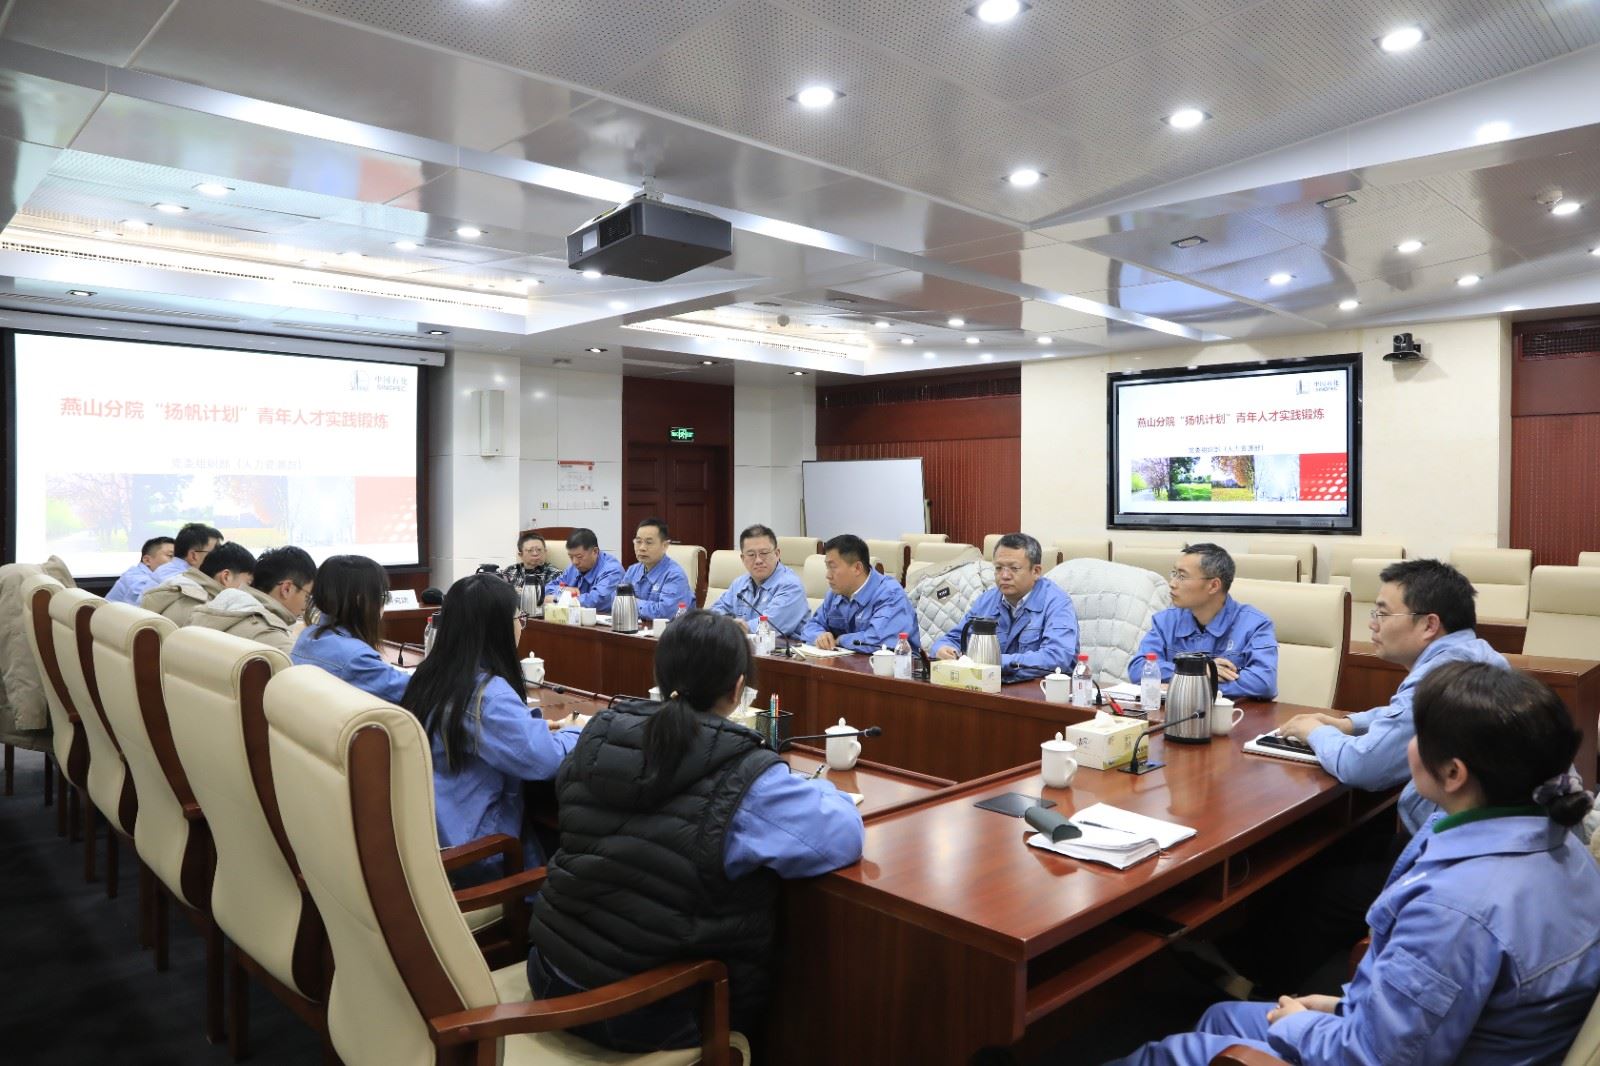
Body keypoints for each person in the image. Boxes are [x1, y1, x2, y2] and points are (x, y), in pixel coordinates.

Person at [1108, 662, 1600, 1066]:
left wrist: (1305, 1025)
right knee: (1221, 1016)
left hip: (1390, 1053)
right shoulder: (1559, 842)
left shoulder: (1456, 909)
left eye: (1418, 734)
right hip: (1444, 1036)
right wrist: (1346, 1006)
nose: (1408, 745)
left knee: (1171, 1053)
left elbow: (1374, 1056)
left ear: (1454, 773)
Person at [527, 611, 864, 1051]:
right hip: (645, 1012)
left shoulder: (599, 734)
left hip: (551, 973)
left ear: (659, 675)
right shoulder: (745, 775)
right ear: (739, 690)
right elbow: (843, 834)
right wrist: (820, 791)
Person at [1279, 558, 1508, 833]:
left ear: (1429, 625)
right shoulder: (1477, 654)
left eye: (1382, 614)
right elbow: (1408, 714)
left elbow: (1362, 765)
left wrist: (1315, 732)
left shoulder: (1441, 679)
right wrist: (1350, 724)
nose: (1372, 624)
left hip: (1455, 843)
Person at [399, 573, 581, 881]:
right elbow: (545, 760)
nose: (521, 626)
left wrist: (532, 726)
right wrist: (577, 731)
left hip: (433, 838)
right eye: (519, 618)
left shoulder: (430, 675)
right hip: (476, 857)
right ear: (497, 628)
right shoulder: (488, 694)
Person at [1128, 543, 1277, 700]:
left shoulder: (1254, 625)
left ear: (1213, 586)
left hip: (1232, 713)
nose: (1172, 583)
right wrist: (1197, 670)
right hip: (1176, 711)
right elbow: (1139, 669)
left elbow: (1264, 682)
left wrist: (1189, 682)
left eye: (1182, 576)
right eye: (1174, 573)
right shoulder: (1166, 620)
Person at [930, 533, 1078, 681]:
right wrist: (941, 649)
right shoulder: (988, 600)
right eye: (999, 568)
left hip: (1041, 690)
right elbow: (955, 638)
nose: (1005, 575)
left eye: (1014, 568)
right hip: (991, 686)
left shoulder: (1057, 603)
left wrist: (995, 662)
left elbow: (1057, 657)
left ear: (1036, 571)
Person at [290, 554, 410, 703]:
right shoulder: (355, 657)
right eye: (383, 597)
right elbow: (417, 694)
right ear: (361, 600)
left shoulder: (307, 636)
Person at [800, 533, 919, 653]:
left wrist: (840, 640)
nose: (828, 575)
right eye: (827, 567)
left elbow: (879, 641)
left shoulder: (890, 594)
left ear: (857, 568)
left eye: (833, 567)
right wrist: (820, 636)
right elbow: (810, 626)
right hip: (848, 661)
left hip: (895, 663)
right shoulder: (836, 593)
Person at [189, 546, 315, 654]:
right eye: (307, 596)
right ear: (286, 589)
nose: (306, 606)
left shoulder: (214, 608)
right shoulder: (278, 643)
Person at [708, 523, 809, 638]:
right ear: (743, 558)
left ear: (777, 554)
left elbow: (770, 626)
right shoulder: (739, 584)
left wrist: (734, 627)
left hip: (783, 648)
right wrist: (728, 624)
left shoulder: (791, 586)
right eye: (751, 555)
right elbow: (714, 614)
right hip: (743, 645)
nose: (758, 560)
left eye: (764, 553)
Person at [141, 541, 256, 627]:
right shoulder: (208, 611)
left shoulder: (178, 585)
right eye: (248, 583)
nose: (250, 591)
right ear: (226, 577)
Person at [620, 517, 695, 620]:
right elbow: (618, 601)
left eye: (649, 542)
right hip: (637, 627)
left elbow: (666, 613)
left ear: (665, 545)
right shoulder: (632, 571)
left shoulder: (675, 575)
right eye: (638, 541)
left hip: (671, 629)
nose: (642, 548)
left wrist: (631, 603)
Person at [555, 528, 624, 611]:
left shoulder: (612, 570)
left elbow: (595, 601)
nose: (574, 562)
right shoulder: (573, 567)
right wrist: (564, 590)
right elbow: (549, 588)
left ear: (595, 551)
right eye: (571, 557)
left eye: (579, 557)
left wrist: (560, 598)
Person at [105, 536, 175, 605]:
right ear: (147, 560)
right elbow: (149, 604)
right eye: (170, 556)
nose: (177, 562)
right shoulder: (135, 578)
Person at [150, 522, 222, 583]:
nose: (219, 557)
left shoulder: (168, 570)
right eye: (215, 552)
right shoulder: (183, 581)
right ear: (193, 556)